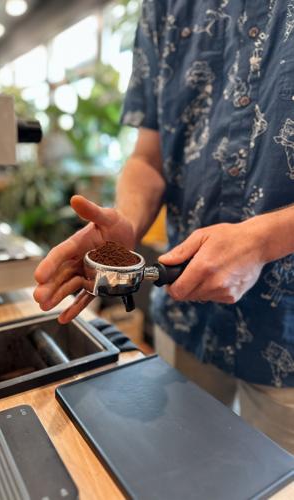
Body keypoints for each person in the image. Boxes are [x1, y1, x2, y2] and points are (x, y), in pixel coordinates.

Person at [34, 0, 294, 454]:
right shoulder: (164, 8)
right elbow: (147, 157)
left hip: (286, 334)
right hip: (187, 315)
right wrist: (128, 220)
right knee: (178, 467)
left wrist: (263, 240)